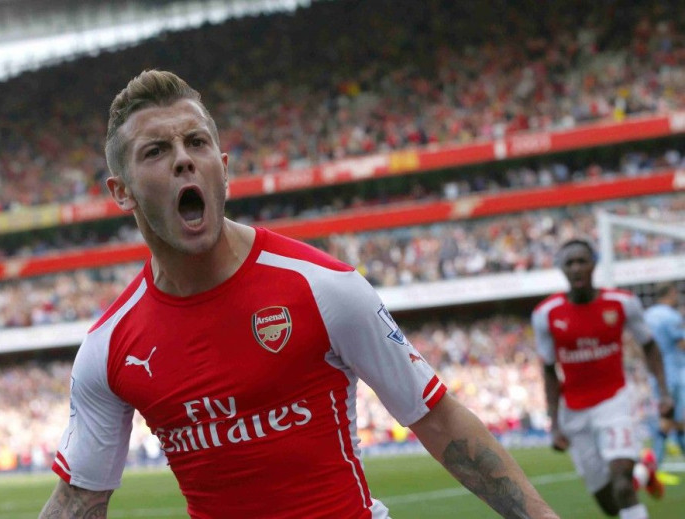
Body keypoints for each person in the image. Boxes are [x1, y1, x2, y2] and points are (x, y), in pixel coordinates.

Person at [39, 69, 559, 519]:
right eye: (156, 151)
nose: (183, 161)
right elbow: (80, 498)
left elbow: (441, 420)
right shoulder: (107, 349)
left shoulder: (324, 287)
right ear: (121, 191)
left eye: (196, 144)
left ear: (224, 167)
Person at [532, 239, 673, 519]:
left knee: (622, 487)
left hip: (615, 402)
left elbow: (649, 345)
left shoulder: (622, 303)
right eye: (569, 263)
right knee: (609, 505)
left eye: (581, 261)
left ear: (593, 264)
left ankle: (634, 473)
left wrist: (664, 393)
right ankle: (643, 471)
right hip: (575, 413)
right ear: (561, 269)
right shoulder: (545, 315)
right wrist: (555, 422)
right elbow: (548, 370)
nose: (576, 268)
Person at [644, 282, 685, 465]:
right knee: (674, 420)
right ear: (671, 293)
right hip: (674, 373)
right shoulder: (671, 316)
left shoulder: (647, 316)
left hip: (656, 375)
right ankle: (651, 465)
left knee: (668, 417)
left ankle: (654, 465)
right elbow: (682, 343)